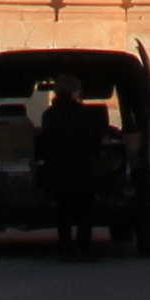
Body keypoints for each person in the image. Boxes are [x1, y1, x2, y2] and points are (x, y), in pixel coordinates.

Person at [34, 84, 113, 259]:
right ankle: (84, 246)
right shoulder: (85, 114)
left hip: (58, 169)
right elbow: (95, 140)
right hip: (83, 168)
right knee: (86, 210)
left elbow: (44, 143)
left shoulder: (50, 115)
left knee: (63, 210)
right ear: (73, 93)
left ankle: (65, 247)